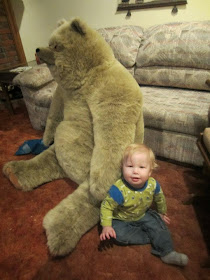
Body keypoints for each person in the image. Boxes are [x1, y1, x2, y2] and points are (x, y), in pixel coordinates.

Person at [100, 143, 188, 266]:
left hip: (143, 213)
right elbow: (106, 206)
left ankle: (167, 253)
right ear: (122, 167)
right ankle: (153, 237)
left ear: (150, 171)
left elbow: (159, 198)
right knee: (118, 236)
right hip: (121, 219)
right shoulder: (119, 189)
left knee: (158, 224)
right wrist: (106, 226)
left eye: (141, 167)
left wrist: (161, 213)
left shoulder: (153, 185)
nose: (135, 171)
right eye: (130, 166)